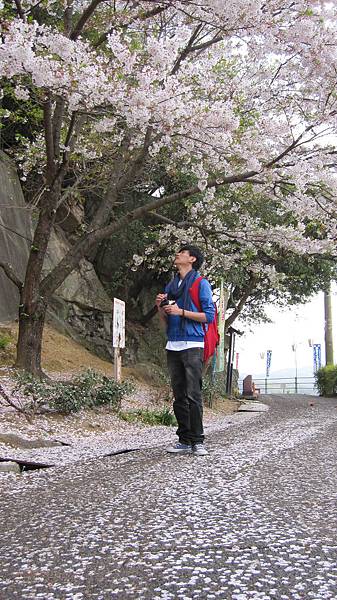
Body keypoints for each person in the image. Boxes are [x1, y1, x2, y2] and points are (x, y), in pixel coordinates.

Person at [156, 244, 215, 456]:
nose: (177, 254)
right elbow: (165, 319)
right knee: (179, 394)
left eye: (182, 252)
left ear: (192, 259)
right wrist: (160, 307)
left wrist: (181, 311)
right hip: (173, 342)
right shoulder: (172, 284)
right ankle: (183, 439)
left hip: (192, 343)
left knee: (193, 393)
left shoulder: (201, 283)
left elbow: (208, 316)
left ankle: (197, 441)